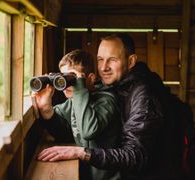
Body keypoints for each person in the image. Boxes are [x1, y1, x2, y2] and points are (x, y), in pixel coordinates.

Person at [37, 33, 186, 179]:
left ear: (131, 61)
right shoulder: (116, 86)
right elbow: (75, 131)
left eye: (112, 60)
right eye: (100, 60)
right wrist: (46, 111)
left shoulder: (145, 95)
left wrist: (82, 153)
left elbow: (135, 156)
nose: (103, 67)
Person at [33, 49, 121, 180]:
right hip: (85, 173)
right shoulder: (74, 100)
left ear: (90, 79)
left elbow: (88, 131)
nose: (65, 85)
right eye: (63, 78)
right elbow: (65, 132)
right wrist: (46, 109)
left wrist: (79, 89)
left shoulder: (106, 100)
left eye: (72, 78)